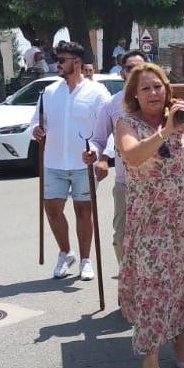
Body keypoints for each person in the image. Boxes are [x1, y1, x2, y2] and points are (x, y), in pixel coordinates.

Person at [112, 62, 184, 368]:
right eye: (145, 88)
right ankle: (150, 354)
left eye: (158, 86)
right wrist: (167, 130)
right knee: (153, 288)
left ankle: (180, 339)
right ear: (135, 95)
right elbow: (133, 156)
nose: (154, 93)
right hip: (151, 222)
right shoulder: (126, 124)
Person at [31, 41, 111, 281]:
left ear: (76, 62)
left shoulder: (97, 93)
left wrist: (104, 158)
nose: (58, 64)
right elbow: (35, 120)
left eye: (62, 60)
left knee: (83, 212)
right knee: (52, 210)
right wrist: (36, 130)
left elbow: (109, 128)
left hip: (83, 164)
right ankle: (66, 252)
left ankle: (86, 260)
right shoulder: (49, 92)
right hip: (53, 161)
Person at [87, 50, 147, 265]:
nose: (136, 72)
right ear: (122, 73)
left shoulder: (161, 100)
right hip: (125, 182)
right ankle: (127, 279)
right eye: (130, 68)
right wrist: (95, 154)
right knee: (122, 238)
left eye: (140, 67)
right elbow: (98, 138)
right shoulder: (111, 105)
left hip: (158, 183)